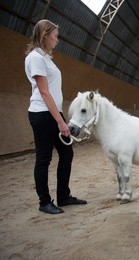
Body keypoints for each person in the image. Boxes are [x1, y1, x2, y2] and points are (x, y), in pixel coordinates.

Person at [25, 20, 87, 214]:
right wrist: (59, 121)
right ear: (45, 35)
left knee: (67, 154)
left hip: (53, 112)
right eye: (55, 36)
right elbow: (44, 92)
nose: (57, 40)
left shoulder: (46, 58)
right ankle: (44, 202)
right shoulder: (35, 58)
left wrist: (59, 116)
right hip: (42, 114)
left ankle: (63, 196)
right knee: (43, 159)